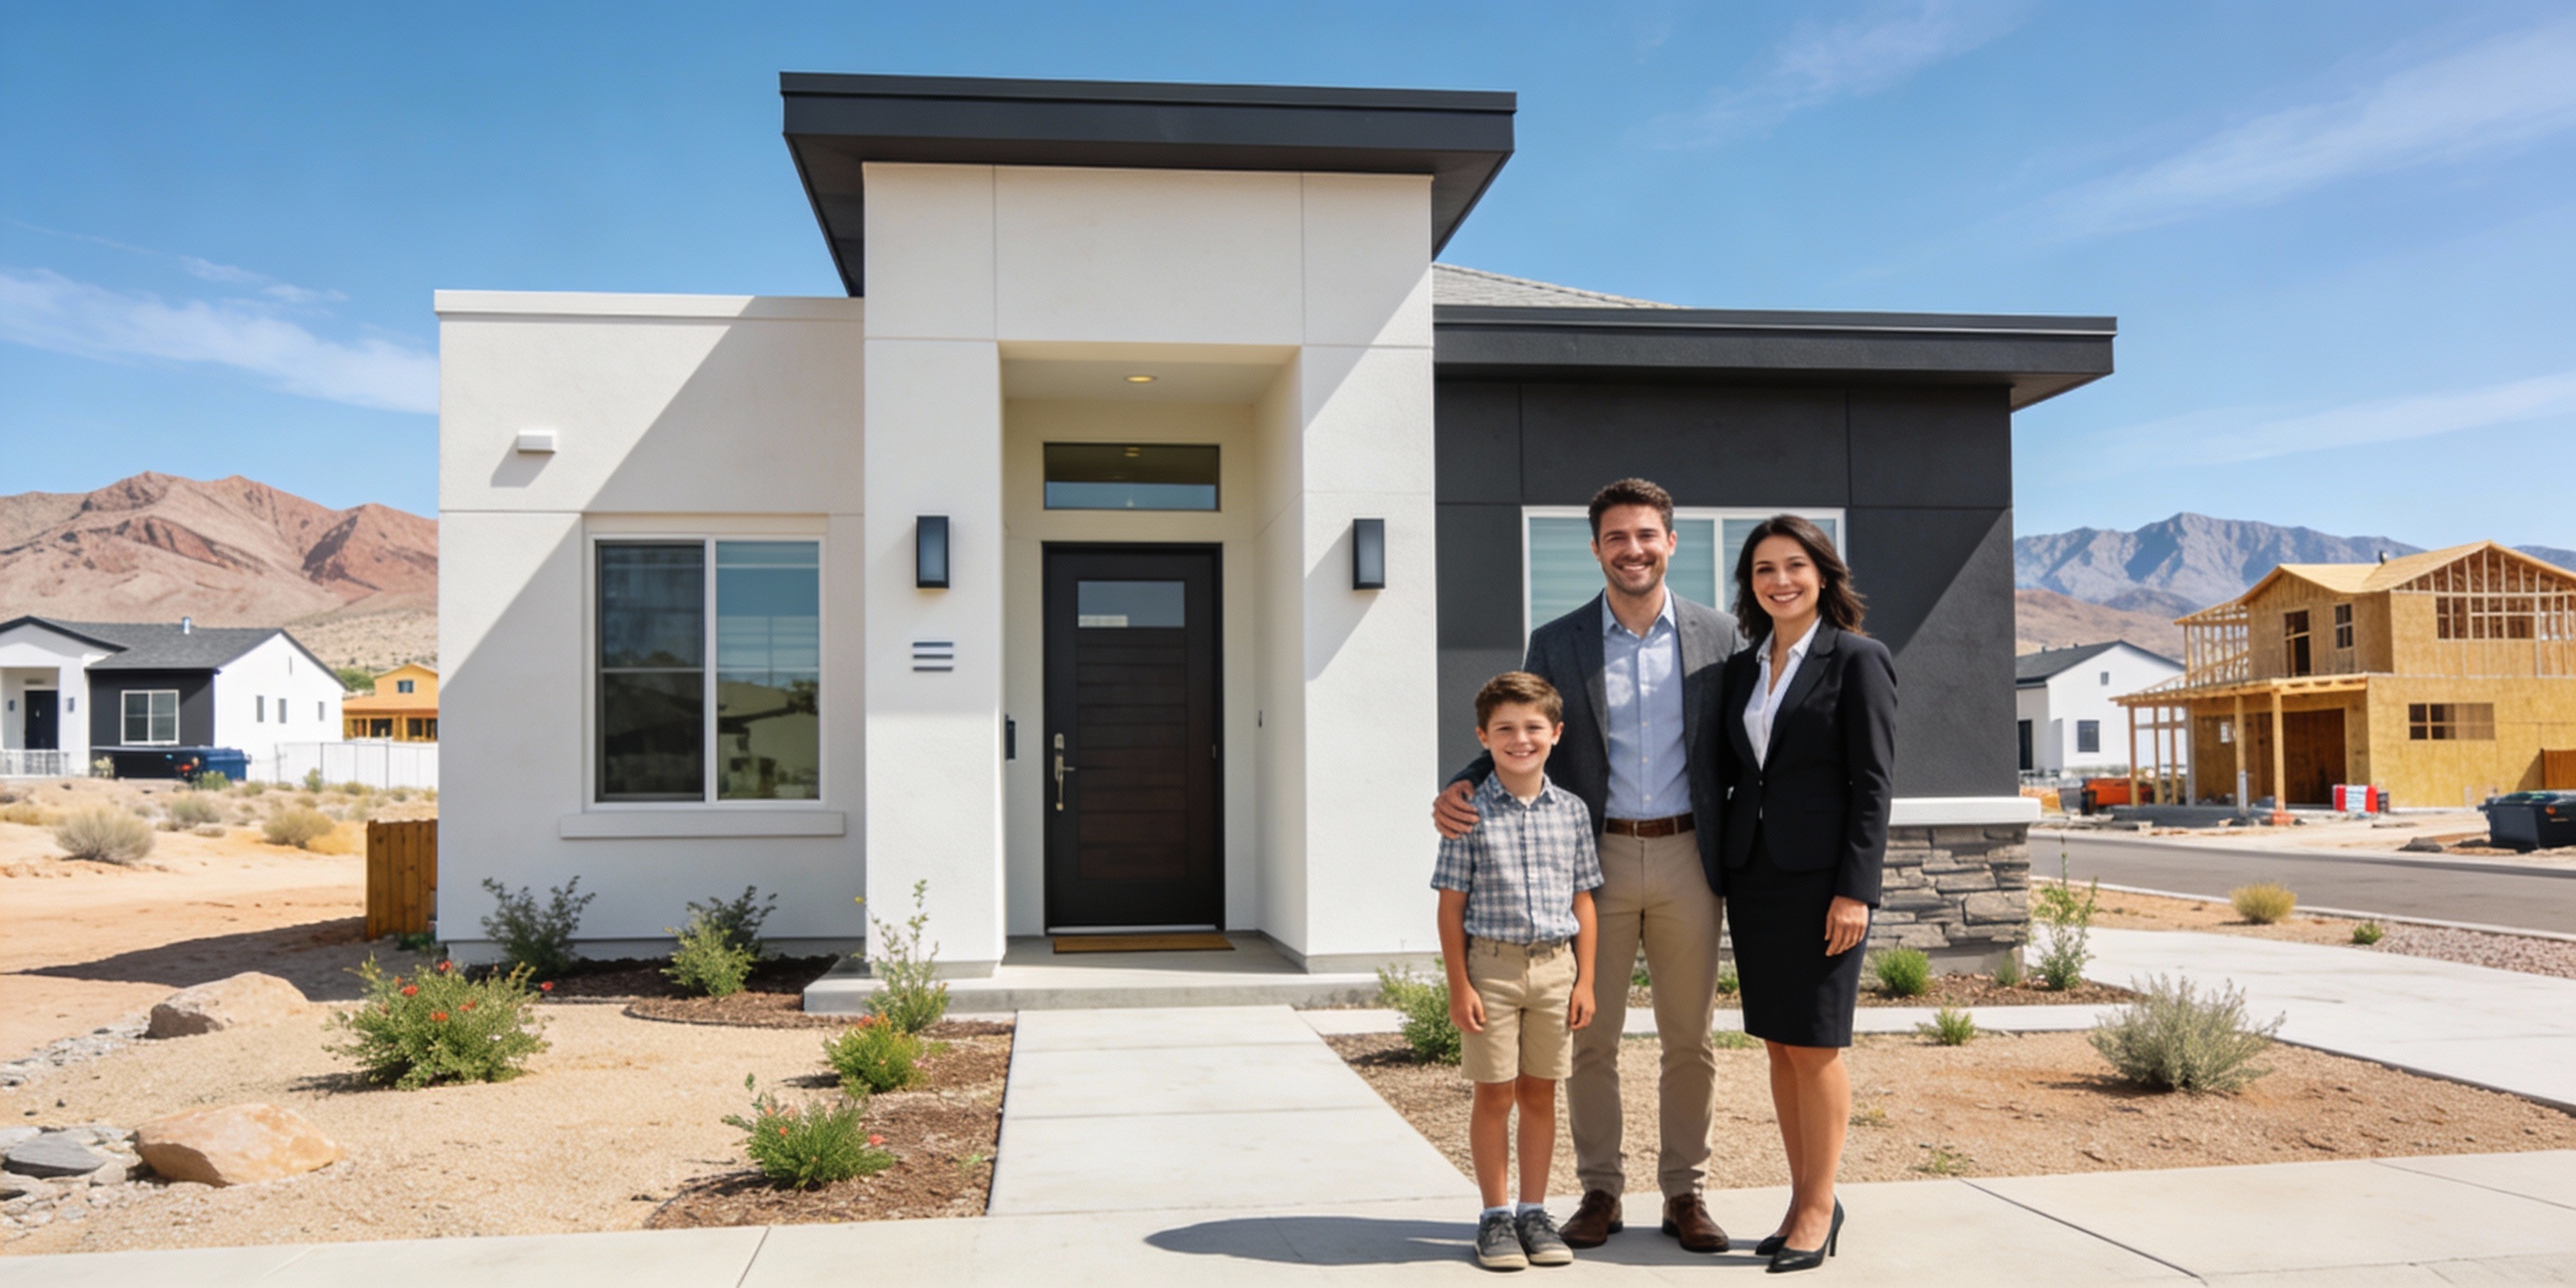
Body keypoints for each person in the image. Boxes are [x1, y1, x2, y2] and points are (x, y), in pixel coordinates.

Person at [1433, 478, 1744, 1253]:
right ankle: (1598, 1190)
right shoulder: (1559, 639)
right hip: (1591, 856)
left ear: (1670, 542)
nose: (1632, 550)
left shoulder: (1721, 635)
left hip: (1687, 856)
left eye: (1646, 535)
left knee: (1690, 1037)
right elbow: (1526, 726)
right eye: (1616, 537)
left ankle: (1686, 1193)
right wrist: (1464, 781)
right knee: (1588, 1036)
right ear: (1597, 548)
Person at [1709, 513, 1894, 1274]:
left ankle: (1821, 1207)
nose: (1779, 580)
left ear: (1823, 574)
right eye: (1763, 570)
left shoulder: (1857, 659)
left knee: (1817, 1045)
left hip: (1823, 885)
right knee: (1780, 1045)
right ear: (1749, 586)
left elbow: (1874, 785)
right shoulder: (1741, 669)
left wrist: (1856, 891)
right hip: (1755, 875)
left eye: (1794, 565)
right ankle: (1801, 1198)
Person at [1431, 670, 1603, 1272]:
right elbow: (1451, 908)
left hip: (1556, 971)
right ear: (1483, 736)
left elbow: (1584, 900)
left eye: (1533, 727)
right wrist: (1459, 987)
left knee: (1540, 1093)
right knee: (1494, 1094)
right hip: (1492, 972)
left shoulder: (1573, 812)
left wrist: (1584, 980)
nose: (1520, 739)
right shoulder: (1468, 813)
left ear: (1556, 733)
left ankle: (1534, 1210)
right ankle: (1494, 1217)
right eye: (1504, 729)